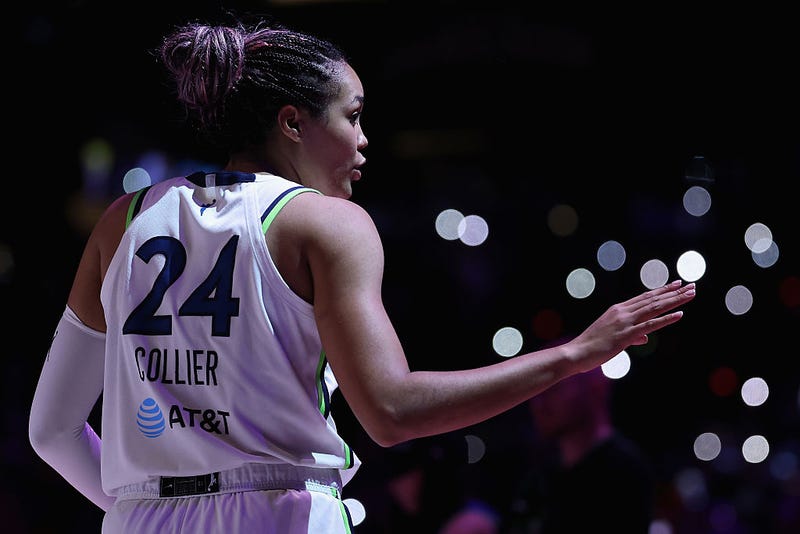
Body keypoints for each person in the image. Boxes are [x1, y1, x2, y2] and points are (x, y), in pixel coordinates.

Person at [28, 15, 696, 534]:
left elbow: (51, 431)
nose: (364, 139)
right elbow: (391, 411)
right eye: (352, 115)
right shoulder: (324, 222)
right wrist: (574, 355)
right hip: (280, 516)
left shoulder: (124, 219)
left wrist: (145, 505)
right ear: (293, 122)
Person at [500, 364, 656, 533]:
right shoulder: (539, 471)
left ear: (595, 388)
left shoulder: (625, 470)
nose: (539, 402)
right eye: (536, 391)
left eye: (554, 388)